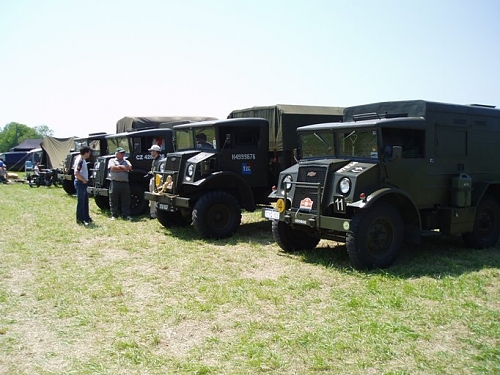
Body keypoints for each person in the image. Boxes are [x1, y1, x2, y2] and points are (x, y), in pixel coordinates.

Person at [108, 147, 133, 220]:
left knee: (126, 199)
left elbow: (130, 167)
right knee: (113, 199)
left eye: (123, 153)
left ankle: (126, 215)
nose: (123, 154)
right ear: (117, 153)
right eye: (121, 153)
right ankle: (114, 215)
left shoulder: (126, 161)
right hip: (115, 182)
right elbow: (113, 168)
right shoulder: (112, 160)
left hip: (125, 183)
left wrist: (119, 167)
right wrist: (123, 168)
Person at [73, 146, 92, 225]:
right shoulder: (80, 160)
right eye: (89, 152)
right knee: (81, 202)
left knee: (85, 202)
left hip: (82, 183)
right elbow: (76, 173)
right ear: (86, 152)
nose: (90, 154)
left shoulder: (81, 159)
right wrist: (84, 180)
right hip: (81, 183)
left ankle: (86, 218)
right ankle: (80, 219)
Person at [147, 144, 162, 219]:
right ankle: (153, 213)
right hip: (153, 179)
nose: (151, 153)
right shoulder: (154, 160)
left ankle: (156, 213)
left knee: (156, 196)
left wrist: (152, 173)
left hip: (158, 180)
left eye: (152, 151)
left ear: (156, 151)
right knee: (152, 196)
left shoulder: (160, 160)